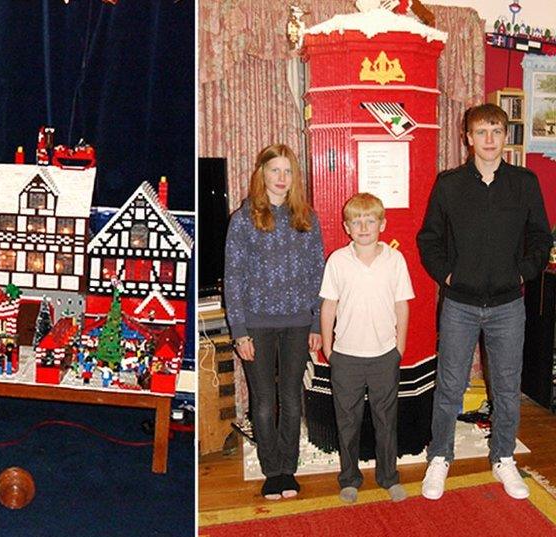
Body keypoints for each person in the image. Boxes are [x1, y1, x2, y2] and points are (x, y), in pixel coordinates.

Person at [417, 103, 552, 500]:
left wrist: (521, 273)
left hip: (508, 305)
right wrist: (448, 275)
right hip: (459, 303)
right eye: (481, 132)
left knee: (507, 389)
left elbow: (541, 238)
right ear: (468, 137)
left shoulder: (525, 183)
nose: (489, 140)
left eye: (496, 131)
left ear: (505, 136)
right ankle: (440, 457)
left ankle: (503, 457)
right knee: (450, 386)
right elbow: (429, 239)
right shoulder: (449, 184)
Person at [223, 143, 324, 500]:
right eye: (274, 170)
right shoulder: (244, 219)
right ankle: (272, 470)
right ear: (261, 174)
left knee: (292, 398)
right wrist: (239, 331)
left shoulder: (307, 218)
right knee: (264, 401)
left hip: (299, 323)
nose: (281, 178)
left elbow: (318, 275)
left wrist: (316, 325)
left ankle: (289, 469)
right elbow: (233, 277)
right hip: (257, 326)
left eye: (287, 171)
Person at [320, 193, 412, 504]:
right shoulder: (338, 261)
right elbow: (328, 306)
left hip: (384, 355)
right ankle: (349, 479)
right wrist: (329, 350)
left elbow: (402, 304)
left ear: (382, 224)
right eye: (356, 221)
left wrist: (399, 346)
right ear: (347, 227)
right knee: (348, 421)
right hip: (346, 357)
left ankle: (389, 477)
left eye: (369, 220)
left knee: (386, 420)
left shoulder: (395, 260)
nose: (363, 226)